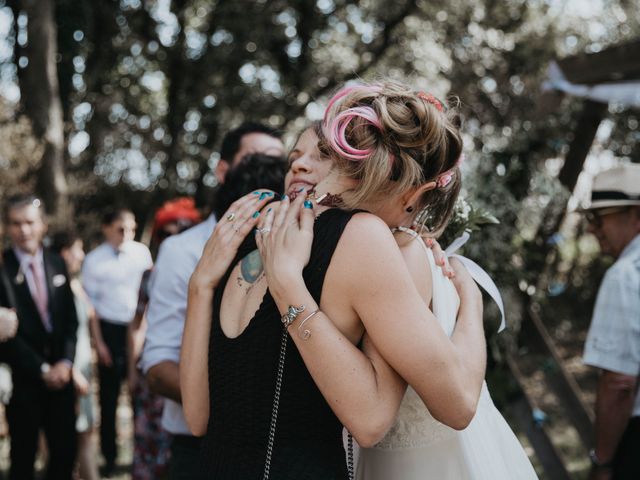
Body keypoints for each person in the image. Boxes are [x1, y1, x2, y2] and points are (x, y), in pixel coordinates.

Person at [181, 81, 491, 479]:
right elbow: (431, 408)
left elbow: (197, 418)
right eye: (294, 156)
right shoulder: (361, 236)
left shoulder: (247, 237)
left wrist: (200, 286)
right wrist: (472, 300)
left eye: (321, 152)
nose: (300, 165)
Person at [140, 122, 284, 480]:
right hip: (200, 449)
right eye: (255, 160)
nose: (266, 172)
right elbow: (158, 369)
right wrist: (242, 401)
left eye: (277, 162)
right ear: (224, 170)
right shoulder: (182, 251)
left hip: (278, 450)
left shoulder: (294, 248)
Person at [0, 194, 78, 480]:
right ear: (7, 227)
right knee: (23, 457)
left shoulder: (58, 263)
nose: (24, 230)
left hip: (61, 377)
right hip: (25, 380)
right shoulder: (3, 267)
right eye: (16, 223)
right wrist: (42, 369)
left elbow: (71, 320)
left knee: (64, 454)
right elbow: (5, 336)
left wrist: (66, 362)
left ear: (43, 224)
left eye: (30, 222)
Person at [128, 197, 201, 480]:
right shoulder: (150, 275)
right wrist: (133, 369)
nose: (174, 238)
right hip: (157, 371)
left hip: (186, 371)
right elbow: (136, 324)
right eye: (167, 234)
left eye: (182, 231)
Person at [82, 208, 152, 475]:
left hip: (138, 329)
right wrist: (98, 344)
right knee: (109, 399)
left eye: (131, 229)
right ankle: (109, 457)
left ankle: (140, 454)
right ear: (106, 228)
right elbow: (91, 308)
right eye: (121, 228)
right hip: (108, 331)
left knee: (139, 396)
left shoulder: (141, 254)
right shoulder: (94, 260)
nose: (127, 234)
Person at [582, 164, 640, 480]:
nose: (592, 229)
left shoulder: (625, 275)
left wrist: (603, 462)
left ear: (637, 215)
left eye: (599, 217)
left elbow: (619, 383)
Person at [50, 230, 100, 480]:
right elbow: (56, 338)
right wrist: (73, 372)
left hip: (83, 368)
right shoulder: (55, 288)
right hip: (71, 373)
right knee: (74, 436)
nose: (81, 255)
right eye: (77, 249)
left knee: (87, 432)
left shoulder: (75, 284)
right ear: (64, 252)